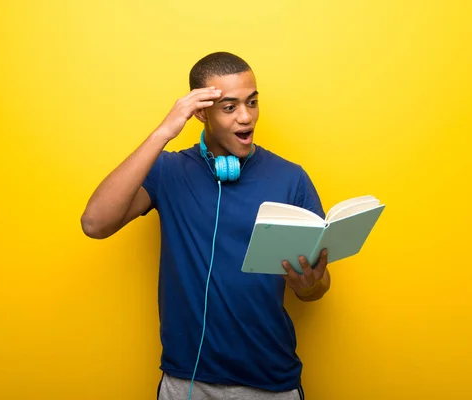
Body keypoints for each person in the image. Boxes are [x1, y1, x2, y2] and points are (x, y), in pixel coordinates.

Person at [81, 51, 331, 400]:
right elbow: (95, 223)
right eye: (229, 107)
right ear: (200, 112)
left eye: (252, 102)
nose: (246, 117)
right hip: (188, 380)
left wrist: (308, 285)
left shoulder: (292, 178)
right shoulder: (168, 172)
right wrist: (163, 133)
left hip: (272, 381)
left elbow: (317, 288)